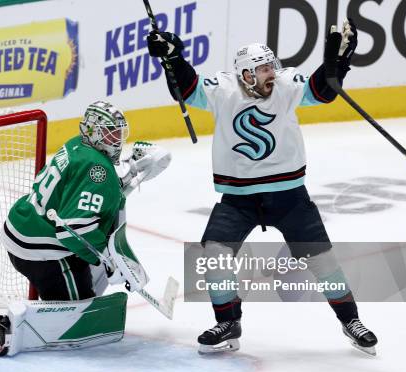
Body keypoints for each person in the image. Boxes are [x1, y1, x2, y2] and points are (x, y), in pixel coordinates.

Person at [147, 20, 378, 355]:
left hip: (289, 196)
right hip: (238, 199)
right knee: (215, 253)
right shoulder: (223, 90)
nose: (272, 73)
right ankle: (228, 321)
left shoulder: (286, 84)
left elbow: (323, 92)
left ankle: (350, 320)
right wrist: (173, 58)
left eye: (272, 66)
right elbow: (186, 88)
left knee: (323, 261)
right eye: (263, 69)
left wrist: (337, 63)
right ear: (245, 75)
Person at [0, 101, 171, 356]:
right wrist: (110, 261)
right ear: (93, 132)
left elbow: (83, 192)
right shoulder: (98, 170)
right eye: (110, 132)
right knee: (75, 316)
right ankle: (3, 325)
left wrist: (129, 174)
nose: (117, 139)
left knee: (92, 273)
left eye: (119, 132)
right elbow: (74, 231)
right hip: (41, 248)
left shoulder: (78, 144)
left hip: (24, 226)